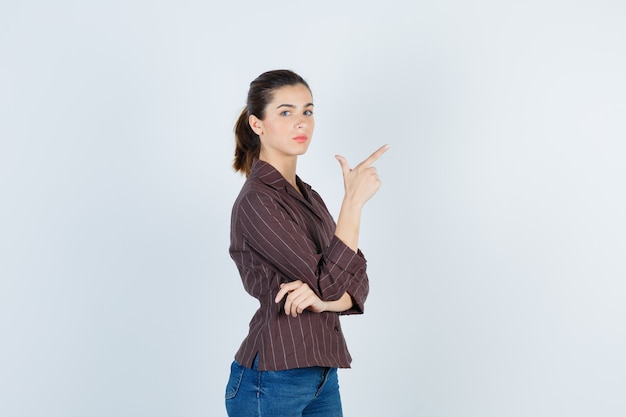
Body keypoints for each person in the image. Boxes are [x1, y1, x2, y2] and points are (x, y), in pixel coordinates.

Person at [225, 69, 388, 417]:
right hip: (271, 382)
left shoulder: (306, 195)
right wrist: (353, 202)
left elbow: (355, 277)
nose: (301, 123)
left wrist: (324, 303)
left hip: (321, 378)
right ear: (258, 124)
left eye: (307, 111)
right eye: (286, 112)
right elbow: (331, 281)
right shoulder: (258, 201)